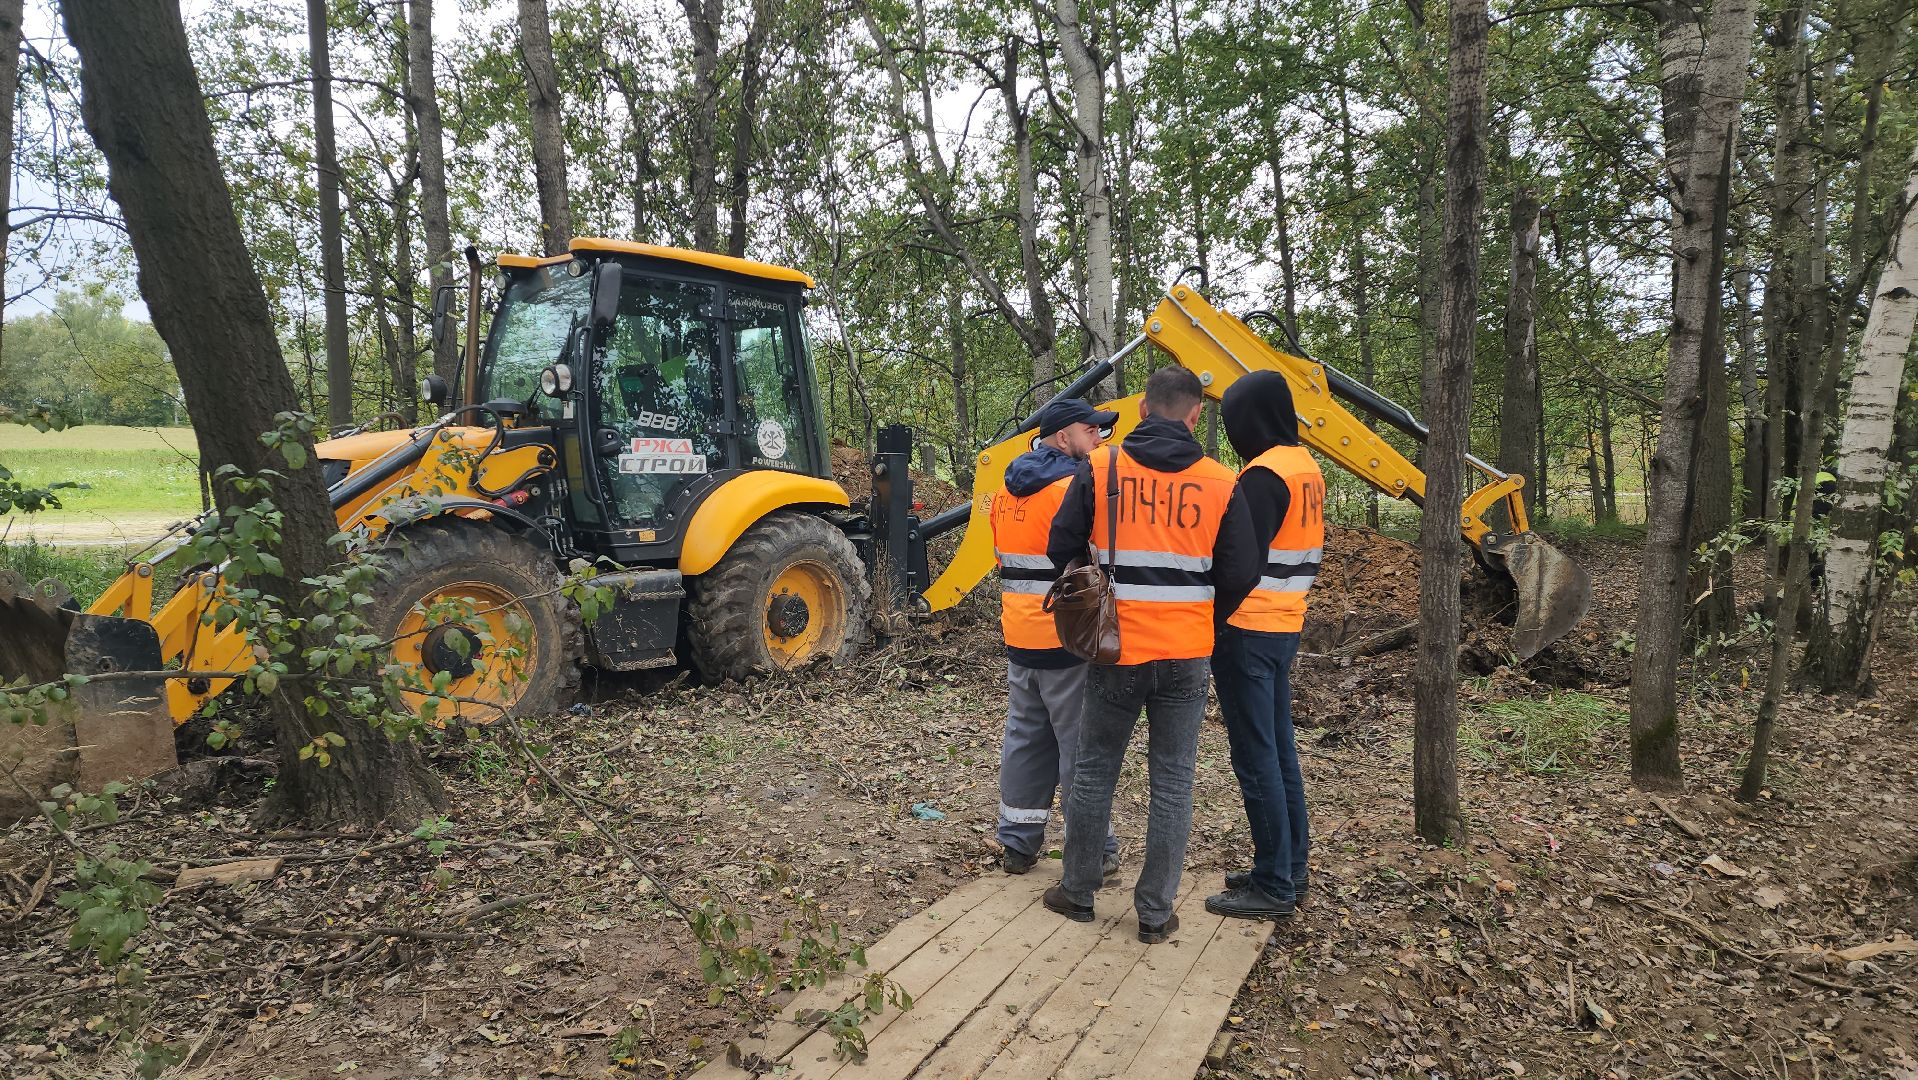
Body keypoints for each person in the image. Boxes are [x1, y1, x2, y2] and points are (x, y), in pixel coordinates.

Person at [1040, 366, 1261, 944]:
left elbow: (1060, 544)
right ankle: (1156, 913)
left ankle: (1079, 892)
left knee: (1094, 771)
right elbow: (1242, 570)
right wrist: (1200, 614)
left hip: (1116, 648)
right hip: (1187, 653)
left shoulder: (1102, 466)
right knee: (1172, 782)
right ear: (1194, 416)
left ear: (1141, 410)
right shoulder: (1220, 480)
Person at [1206, 370, 1324, 921]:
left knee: (1256, 759)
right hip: (1284, 624)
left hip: (1248, 630)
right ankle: (1289, 867)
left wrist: (1210, 620)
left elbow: (1238, 566)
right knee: (1279, 753)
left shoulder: (1261, 477)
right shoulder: (1305, 468)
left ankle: (1274, 884)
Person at [989, 397, 1123, 879]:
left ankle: (1019, 844)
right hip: (1068, 636)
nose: (1099, 441)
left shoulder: (1005, 491)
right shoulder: (1073, 486)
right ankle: (1097, 848)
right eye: (1092, 432)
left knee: (1026, 736)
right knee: (1079, 744)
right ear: (1064, 437)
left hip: (1020, 634)